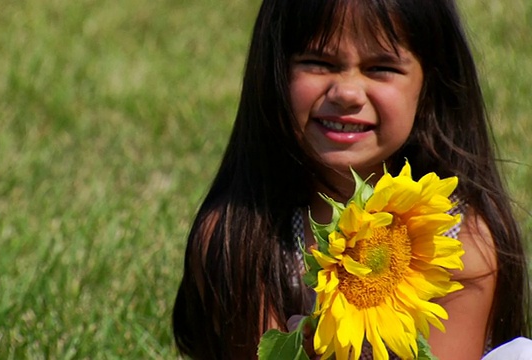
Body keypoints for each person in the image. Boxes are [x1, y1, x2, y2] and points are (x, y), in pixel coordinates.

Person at [172, 0, 530, 359]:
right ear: (275, 73)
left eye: (381, 67)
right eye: (319, 63)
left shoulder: (456, 243)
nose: (346, 93)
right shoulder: (239, 240)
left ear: (430, 87)